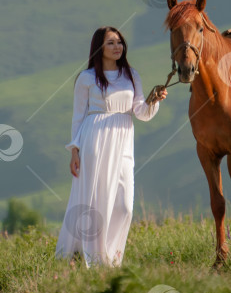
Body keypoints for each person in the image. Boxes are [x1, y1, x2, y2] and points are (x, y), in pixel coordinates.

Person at [55, 26, 167, 267]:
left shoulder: (131, 75)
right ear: (99, 48)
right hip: (93, 139)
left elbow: (140, 112)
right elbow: (78, 117)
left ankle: (112, 255)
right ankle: (95, 260)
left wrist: (153, 100)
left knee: (124, 205)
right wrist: (74, 150)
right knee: (96, 201)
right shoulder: (86, 78)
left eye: (119, 42)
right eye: (111, 43)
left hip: (123, 140)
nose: (118, 47)